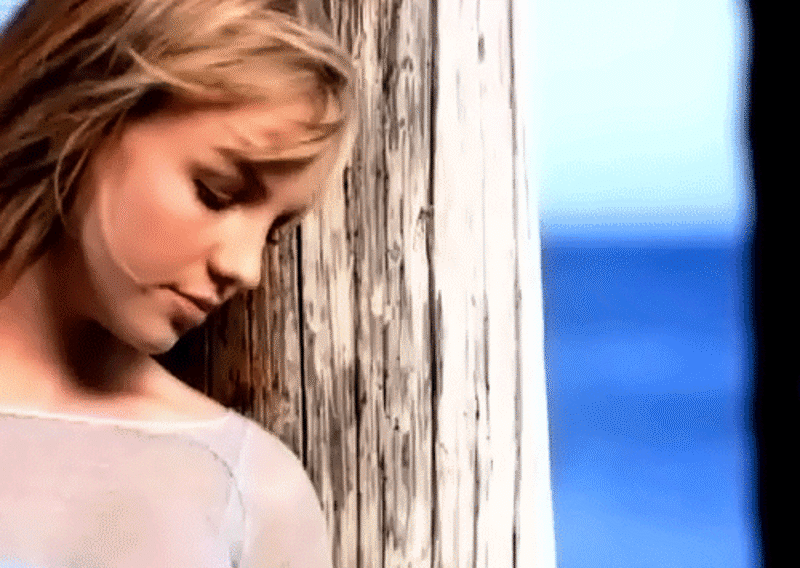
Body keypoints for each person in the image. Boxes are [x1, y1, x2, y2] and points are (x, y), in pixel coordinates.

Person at [0, 0, 355, 566]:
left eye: (272, 235)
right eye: (217, 192)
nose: (245, 268)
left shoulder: (254, 491)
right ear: (86, 115)